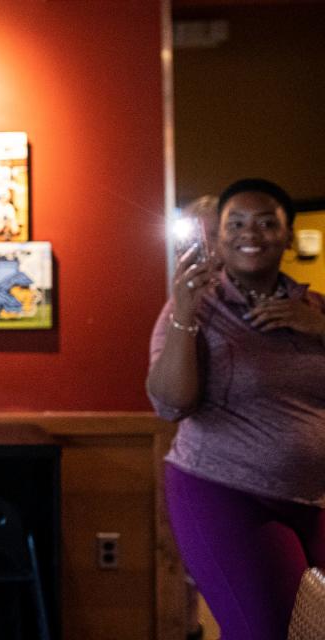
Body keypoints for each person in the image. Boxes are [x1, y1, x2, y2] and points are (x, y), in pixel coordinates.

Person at [147, 178, 325, 640]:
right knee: (264, 631)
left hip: (315, 497)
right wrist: (187, 309)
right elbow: (171, 404)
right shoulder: (192, 309)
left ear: (288, 236)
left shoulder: (317, 311)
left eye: (268, 223)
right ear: (217, 235)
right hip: (224, 491)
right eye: (237, 222)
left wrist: (319, 328)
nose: (252, 233)